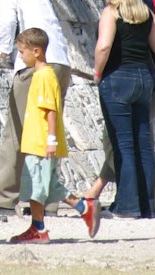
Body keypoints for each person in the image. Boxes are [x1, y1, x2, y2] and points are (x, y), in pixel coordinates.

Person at [80, 0, 155, 213]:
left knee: (122, 144)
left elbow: (104, 46)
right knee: (142, 143)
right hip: (144, 79)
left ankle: (127, 206)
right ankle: (147, 204)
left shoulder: (111, 12)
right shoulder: (145, 12)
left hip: (118, 77)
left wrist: (97, 72)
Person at [0, 0, 72, 214]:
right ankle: (48, 201)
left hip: (34, 69)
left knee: (17, 132)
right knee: (48, 133)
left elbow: (4, 23)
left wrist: (0, 53)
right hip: (60, 64)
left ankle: (4, 197)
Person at [8, 27, 101, 244]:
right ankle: (82, 207)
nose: (20, 56)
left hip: (40, 142)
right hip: (36, 141)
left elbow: (49, 110)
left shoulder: (43, 77)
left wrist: (51, 139)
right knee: (47, 185)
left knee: (37, 188)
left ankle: (38, 229)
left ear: (36, 51)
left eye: (23, 52)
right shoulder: (43, 75)